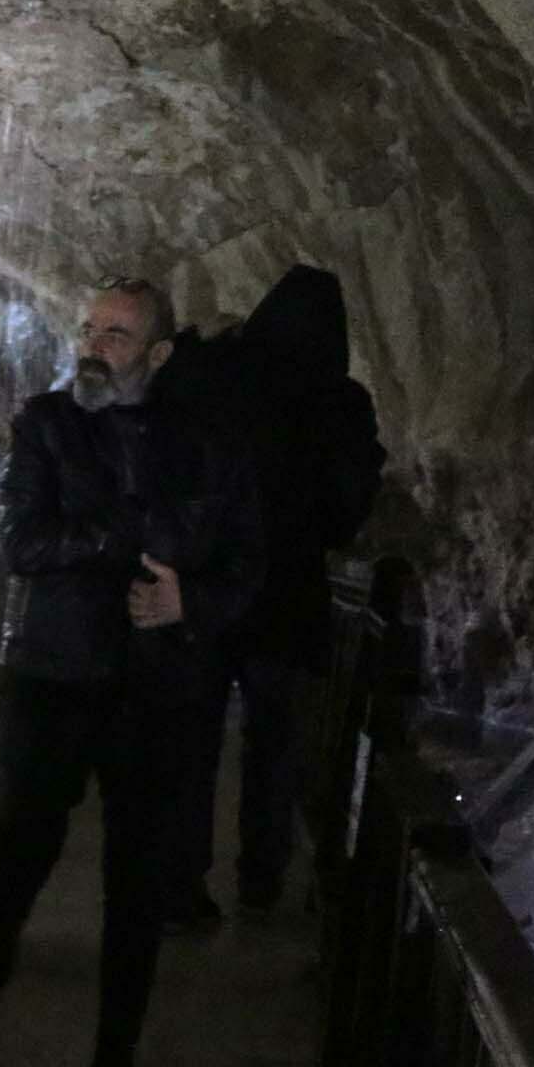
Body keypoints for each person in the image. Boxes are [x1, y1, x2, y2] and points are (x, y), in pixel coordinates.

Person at [0, 276, 262, 1067]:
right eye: (87, 329)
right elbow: (27, 543)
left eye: (116, 335)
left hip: (157, 693)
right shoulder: (47, 425)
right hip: (53, 675)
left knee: (140, 881)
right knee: (22, 841)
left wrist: (185, 602)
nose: (93, 345)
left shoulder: (204, 447)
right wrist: (122, 543)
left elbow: (247, 565)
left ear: (157, 355)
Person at [167, 266, 384, 921]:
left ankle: (180, 886)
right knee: (274, 744)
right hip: (286, 595)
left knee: (192, 740)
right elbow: (348, 508)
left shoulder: (214, 373)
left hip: (205, 588)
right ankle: (262, 877)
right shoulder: (337, 403)